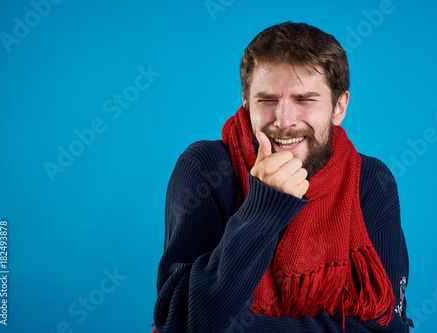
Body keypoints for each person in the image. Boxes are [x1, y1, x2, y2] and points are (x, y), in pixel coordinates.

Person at [153, 21, 412, 332]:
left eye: (304, 100)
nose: (283, 120)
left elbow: (386, 328)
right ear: (247, 102)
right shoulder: (206, 168)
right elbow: (181, 323)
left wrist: (243, 327)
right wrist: (262, 209)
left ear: (339, 107)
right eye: (267, 100)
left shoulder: (371, 181)